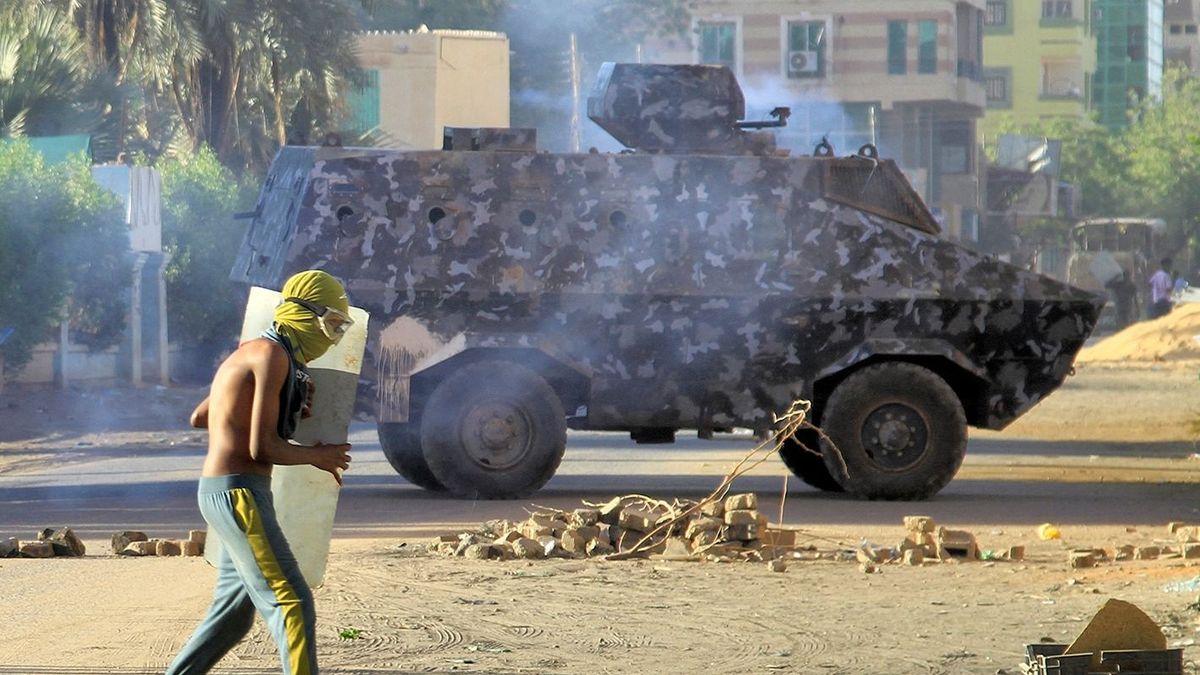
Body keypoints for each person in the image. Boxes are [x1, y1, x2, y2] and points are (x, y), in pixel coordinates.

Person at [166, 270, 354, 675]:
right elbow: (260, 447)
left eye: (342, 328)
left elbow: (201, 416)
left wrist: (275, 402)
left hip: (224, 493)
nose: (334, 337)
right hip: (240, 494)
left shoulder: (254, 352)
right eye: (332, 325)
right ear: (304, 314)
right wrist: (316, 455)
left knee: (231, 618)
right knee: (291, 602)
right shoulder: (273, 355)